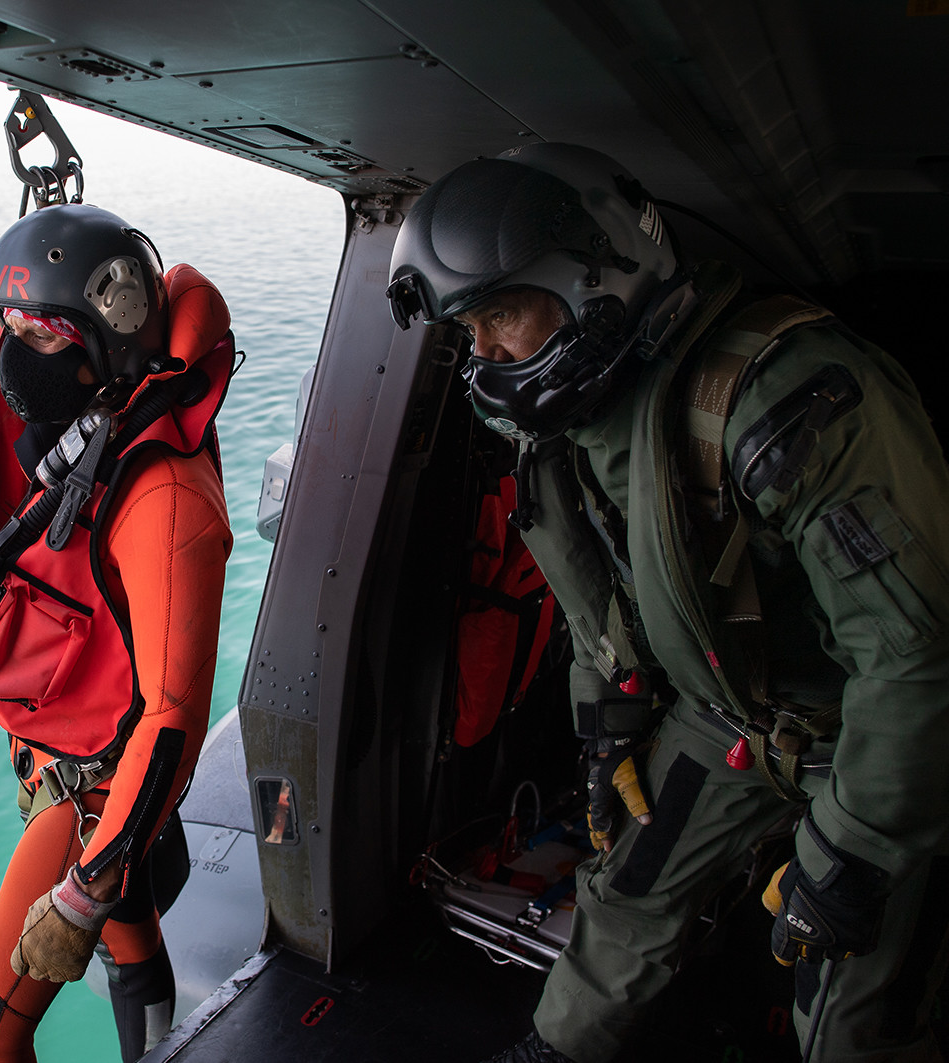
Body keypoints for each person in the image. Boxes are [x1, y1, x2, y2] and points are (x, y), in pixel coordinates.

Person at [385, 143, 949, 1062]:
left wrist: (853, 853)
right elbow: (600, 609)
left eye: (501, 315)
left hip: (873, 730)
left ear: (594, 278)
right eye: (468, 329)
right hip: (730, 717)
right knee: (630, 887)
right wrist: (611, 734)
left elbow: (917, 658)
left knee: (847, 1006)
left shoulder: (788, 399)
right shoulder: (573, 428)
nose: (483, 356)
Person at [0, 202, 234, 1063]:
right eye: (8, 328)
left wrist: (82, 890)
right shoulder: (88, 437)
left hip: (96, 798)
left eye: (41, 334)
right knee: (135, 949)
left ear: (108, 341)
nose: (15, 355)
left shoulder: (165, 502)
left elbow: (174, 712)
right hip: (65, 763)